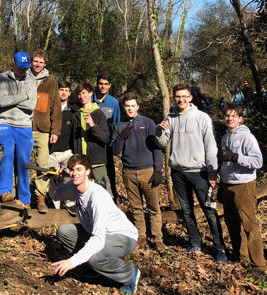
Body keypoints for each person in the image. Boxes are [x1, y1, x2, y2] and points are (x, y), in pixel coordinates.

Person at [155, 83, 227, 263]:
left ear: (191, 98)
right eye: (178, 96)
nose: (181, 99)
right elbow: (162, 143)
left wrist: (212, 171)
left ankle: (220, 248)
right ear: (174, 98)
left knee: (209, 210)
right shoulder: (171, 117)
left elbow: (211, 146)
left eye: (184, 96)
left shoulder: (202, 117)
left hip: (200, 172)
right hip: (178, 172)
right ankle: (195, 243)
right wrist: (160, 130)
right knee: (186, 212)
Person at [51, 154, 141, 294]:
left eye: (79, 169)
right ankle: (95, 267)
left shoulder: (97, 196)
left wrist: (72, 262)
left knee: (95, 257)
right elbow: (57, 195)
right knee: (64, 231)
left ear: (87, 171)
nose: (74, 173)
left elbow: (98, 239)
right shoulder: (74, 186)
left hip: (123, 237)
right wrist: (59, 180)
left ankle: (130, 274)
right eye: (72, 170)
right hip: (98, 233)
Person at [111, 93, 165, 251]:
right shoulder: (120, 126)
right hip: (129, 172)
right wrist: (121, 137)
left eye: (132, 106)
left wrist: (158, 170)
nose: (130, 109)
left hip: (147, 171)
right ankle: (141, 236)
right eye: (127, 106)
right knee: (136, 208)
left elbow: (157, 147)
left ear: (138, 107)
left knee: (154, 207)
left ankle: (157, 238)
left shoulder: (148, 123)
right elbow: (115, 150)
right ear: (124, 107)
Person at [219, 103, 266, 272]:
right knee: (232, 223)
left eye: (233, 116)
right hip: (228, 184)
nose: (229, 119)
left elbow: (257, 162)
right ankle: (241, 256)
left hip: (244, 185)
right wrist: (221, 182)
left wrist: (237, 157)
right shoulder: (224, 137)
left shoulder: (247, 137)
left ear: (240, 118)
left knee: (249, 224)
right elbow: (225, 162)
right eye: (226, 116)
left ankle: (258, 264)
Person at [0, 52, 37, 207]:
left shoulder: (31, 80)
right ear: (13, 63)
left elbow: (31, 105)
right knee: (8, 153)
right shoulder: (1, 78)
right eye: (20, 68)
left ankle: (25, 199)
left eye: (25, 68)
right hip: (5, 123)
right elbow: (2, 101)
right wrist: (23, 96)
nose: (23, 71)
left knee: (24, 162)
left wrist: (15, 99)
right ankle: (4, 191)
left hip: (24, 125)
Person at [27, 49, 62, 213]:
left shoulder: (51, 83)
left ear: (45, 64)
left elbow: (56, 107)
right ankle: (23, 197)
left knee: (42, 164)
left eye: (40, 62)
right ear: (31, 62)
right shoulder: (23, 77)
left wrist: (55, 131)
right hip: (24, 128)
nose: (37, 64)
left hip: (43, 129)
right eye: (35, 61)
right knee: (22, 163)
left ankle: (40, 196)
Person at [72, 83, 111, 195]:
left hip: (97, 162)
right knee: (84, 193)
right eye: (79, 94)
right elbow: (73, 140)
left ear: (90, 93)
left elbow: (105, 138)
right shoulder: (76, 115)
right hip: (81, 162)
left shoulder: (98, 114)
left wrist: (93, 126)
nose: (81, 96)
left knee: (102, 192)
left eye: (84, 93)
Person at [48, 81, 75, 212]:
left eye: (66, 90)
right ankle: (56, 210)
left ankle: (70, 207)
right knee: (52, 180)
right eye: (61, 89)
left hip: (67, 151)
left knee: (69, 178)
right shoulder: (50, 107)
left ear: (69, 93)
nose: (63, 92)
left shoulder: (73, 110)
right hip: (51, 152)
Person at [92, 74, 120, 199]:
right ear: (97, 84)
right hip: (90, 143)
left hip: (106, 145)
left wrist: (113, 144)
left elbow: (116, 125)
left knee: (109, 174)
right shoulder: (90, 99)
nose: (103, 87)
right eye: (101, 83)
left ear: (110, 85)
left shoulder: (113, 102)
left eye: (106, 84)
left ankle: (112, 200)